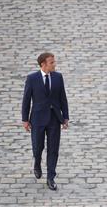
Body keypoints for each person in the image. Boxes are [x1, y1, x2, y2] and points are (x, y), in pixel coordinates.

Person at [22, 52, 69, 191]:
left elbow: (63, 98)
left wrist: (65, 117)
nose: (54, 64)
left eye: (54, 62)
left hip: (54, 118)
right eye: (52, 62)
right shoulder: (32, 79)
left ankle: (50, 178)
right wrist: (25, 119)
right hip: (37, 119)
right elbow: (26, 100)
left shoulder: (58, 77)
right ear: (43, 64)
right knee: (38, 147)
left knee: (53, 149)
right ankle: (37, 162)